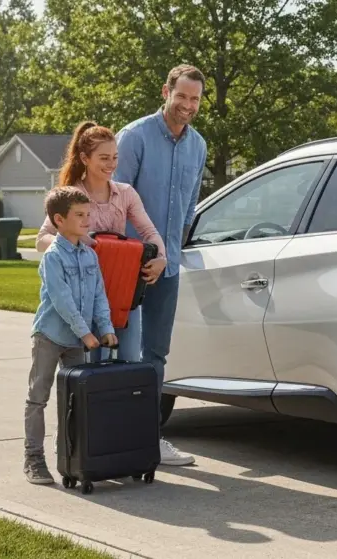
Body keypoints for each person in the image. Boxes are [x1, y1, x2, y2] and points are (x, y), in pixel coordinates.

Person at [113, 64, 207, 467]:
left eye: (195, 99)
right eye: (181, 96)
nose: (188, 105)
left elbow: (188, 207)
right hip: (127, 266)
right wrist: (135, 257)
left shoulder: (198, 145)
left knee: (156, 354)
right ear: (166, 92)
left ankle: (148, 438)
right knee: (121, 352)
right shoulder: (134, 137)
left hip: (167, 268)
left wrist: (170, 252)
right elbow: (114, 202)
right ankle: (111, 439)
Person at [36, 121, 168, 364]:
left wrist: (161, 258)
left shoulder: (126, 193)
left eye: (115, 157)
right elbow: (42, 239)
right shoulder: (71, 195)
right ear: (85, 158)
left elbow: (149, 232)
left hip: (121, 290)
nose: (111, 164)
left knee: (128, 362)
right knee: (87, 367)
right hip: (82, 296)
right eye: (104, 158)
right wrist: (77, 241)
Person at [24, 187, 118, 484]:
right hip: (50, 336)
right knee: (38, 398)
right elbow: (62, 300)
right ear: (59, 220)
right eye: (79, 215)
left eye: (88, 214)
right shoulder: (53, 257)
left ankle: (71, 458)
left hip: (78, 340)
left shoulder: (90, 255)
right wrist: (86, 333)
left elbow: (99, 295)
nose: (87, 220)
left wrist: (106, 328)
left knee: (75, 401)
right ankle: (33, 459)